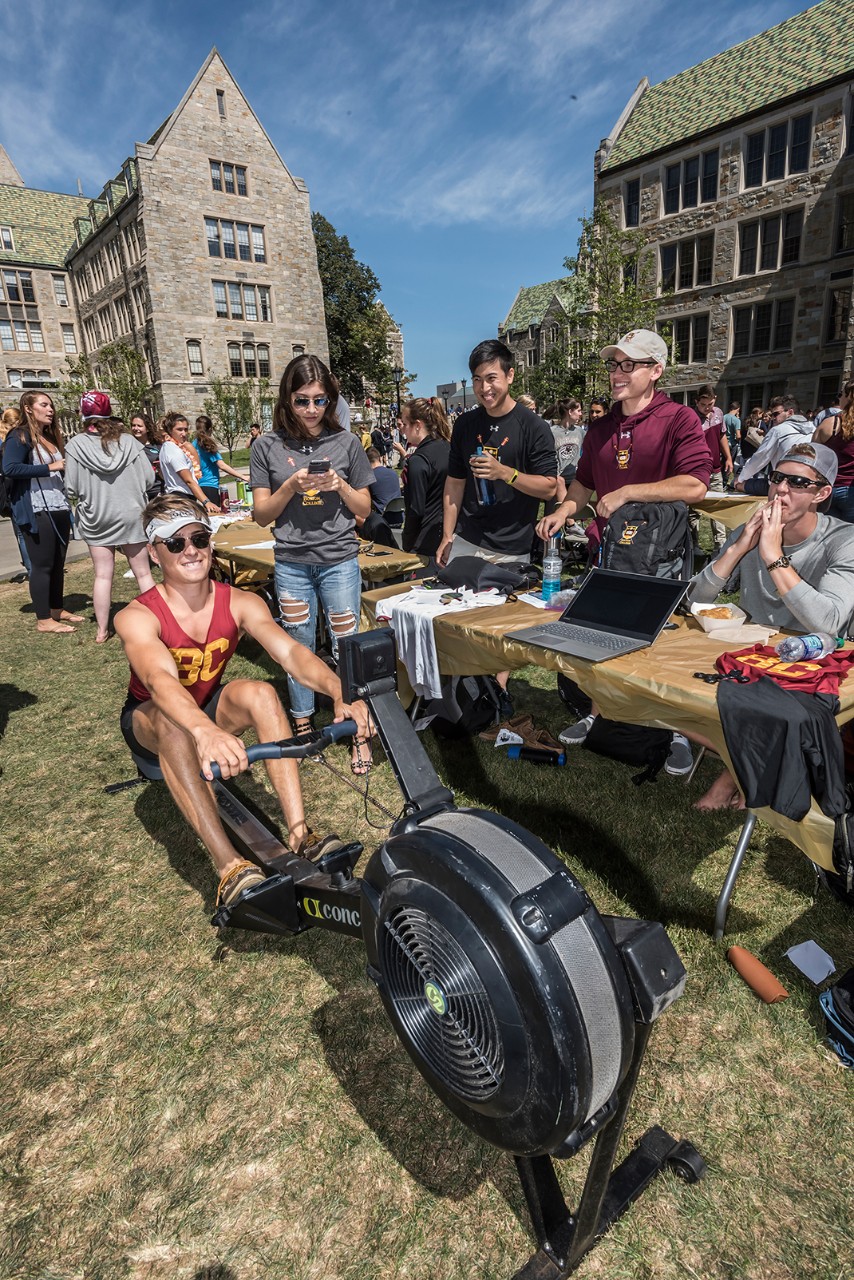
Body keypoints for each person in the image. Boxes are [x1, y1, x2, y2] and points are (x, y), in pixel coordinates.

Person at [114, 493, 372, 908]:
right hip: (151, 721)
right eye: (175, 543)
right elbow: (159, 681)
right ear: (154, 552)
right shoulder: (136, 615)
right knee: (172, 724)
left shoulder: (240, 602)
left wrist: (341, 691)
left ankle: (300, 831)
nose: (191, 551)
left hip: (204, 708)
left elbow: (290, 654)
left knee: (261, 692)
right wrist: (204, 731)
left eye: (198, 538)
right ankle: (228, 866)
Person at [536, 328, 711, 773]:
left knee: (660, 650)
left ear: (656, 371)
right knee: (599, 637)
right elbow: (583, 486)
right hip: (607, 552)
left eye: (628, 364)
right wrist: (564, 510)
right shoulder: (601, 427)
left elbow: (694, 485)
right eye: (614, 364)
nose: (617, 372)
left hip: (660, 554)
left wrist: (629, 492)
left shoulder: (680, 419)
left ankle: (675, 733)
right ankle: (599, 714)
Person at [689, 441, 854, 809]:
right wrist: (738, 548)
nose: (781, 489)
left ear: (822, 493)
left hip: (815, 662)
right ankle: (748, 764)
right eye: (777, 477)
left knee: (772, 712)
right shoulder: (752, 528)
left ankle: (734, 774)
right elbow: (694, 600)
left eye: (797, 483)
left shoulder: (842, 541)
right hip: (751, 655)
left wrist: (773, 555)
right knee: (666, 700)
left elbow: (828, 622)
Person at [249, 354, 374, 772]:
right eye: (302, 400)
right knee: (297, 646)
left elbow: (365, 509)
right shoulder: (267, 446)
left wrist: (339, 484)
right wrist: (288, 485)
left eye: (320, 401)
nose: (311, 410)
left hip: (339, 559)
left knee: (346, 644)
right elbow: (262, 515)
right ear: (287, 399)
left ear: (331, 401)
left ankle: (358, 729)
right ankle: (303, 728)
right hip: (292, 563)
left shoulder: (347, 444)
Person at [438, 339, 557, 714]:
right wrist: (446, 534)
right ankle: (459, 692)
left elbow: (550, 486)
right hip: (468, 535)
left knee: (499, 626)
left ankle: (494, 693)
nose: (485, 388)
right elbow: (454, 483)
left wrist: (507, 473)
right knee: (455, 616)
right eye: (477, 380)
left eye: (491, 378)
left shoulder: (532, 426)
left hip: (511, 541)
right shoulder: (466, 424)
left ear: (510, 375)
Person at [64, 391, 156, 643]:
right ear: (109, 412)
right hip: (131, 512)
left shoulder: (75, 445)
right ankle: (160, 621)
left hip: (97, 516)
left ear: (84, 415)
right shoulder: (130, 442)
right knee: (144, 573)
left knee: (103, 574)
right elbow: (149, 479)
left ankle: (102, 630)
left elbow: (70, 487)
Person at [3, 391, 83, 634]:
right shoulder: (19, 436)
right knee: (42, 564)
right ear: (28, 408)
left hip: (58, 505)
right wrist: (52, 466)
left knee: (58, 562)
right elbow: (10, 468)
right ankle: (43, 619)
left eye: (51, 405)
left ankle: (57, 609)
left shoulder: (49, 436)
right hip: (36, 507)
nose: (51, 409)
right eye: (44, 405)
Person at [398, 397, 451, 557]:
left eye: (405, 425)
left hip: (424, 543)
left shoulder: (418, 460)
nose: (403, 430)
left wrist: (407, 543)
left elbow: (415, 509)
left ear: (418, 425)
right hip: (449, 534)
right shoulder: (449, 448)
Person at [736, 395, 814, 496]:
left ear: (790, 412)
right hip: (808, 485)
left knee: (740, 483)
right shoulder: (814, 429)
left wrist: (740, 478)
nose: (772, 418)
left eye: (776, 414)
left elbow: (760, 458)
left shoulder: (778, 430)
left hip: (783, 486)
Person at [692, 385, 733, 551]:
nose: (707, 408)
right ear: (696, 402)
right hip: (696, 471)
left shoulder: (718, 413)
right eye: (703, 405)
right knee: (694, 510)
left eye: (710, 404)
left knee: (718, 507)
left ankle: (720, 545)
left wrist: (729, 457)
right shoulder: (690, 417)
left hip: (716, 469)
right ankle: (694, 545)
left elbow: (722, 435)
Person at [158, 412, 220, 515]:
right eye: (179, 429)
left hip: (186, 496)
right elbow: (188, 480)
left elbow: (196, 467)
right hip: (180, 498)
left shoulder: (176, 447)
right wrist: (206, 501)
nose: (184, 433)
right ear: (170, 430)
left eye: (185, 429)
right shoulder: (172, 449)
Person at [813, 378, 854, 522]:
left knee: (827, 534)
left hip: (828, 489)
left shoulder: (831, 423)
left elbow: (813, 455)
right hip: (850, 489)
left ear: (848, 397)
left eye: (841, 394)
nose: (839, 398)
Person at [0, 405, 31, 578]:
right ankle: (35, 568)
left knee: (20, 533)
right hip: (19, 489)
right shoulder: (17, 438)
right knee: (28, 531)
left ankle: (30, 567)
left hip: (7, 493)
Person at [193, 415, 249, 504]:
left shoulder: (193, 444)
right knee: (216, 515)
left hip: (199, 485)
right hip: (210, 484)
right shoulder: (207, 444)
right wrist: (243, 476)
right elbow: (221, 465)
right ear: (210, 429)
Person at [130, 412, 163, 500]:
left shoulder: (158, 446)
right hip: (139, 492)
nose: (136, 428)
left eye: (139, 426)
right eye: (133, 425)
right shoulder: (129, 446)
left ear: (147, 428)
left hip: (158, 490)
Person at [365, 446, 402, 513]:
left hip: (382, 517)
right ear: (380, 458)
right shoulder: (393, 473)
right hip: (399, 515)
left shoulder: (370, 477)